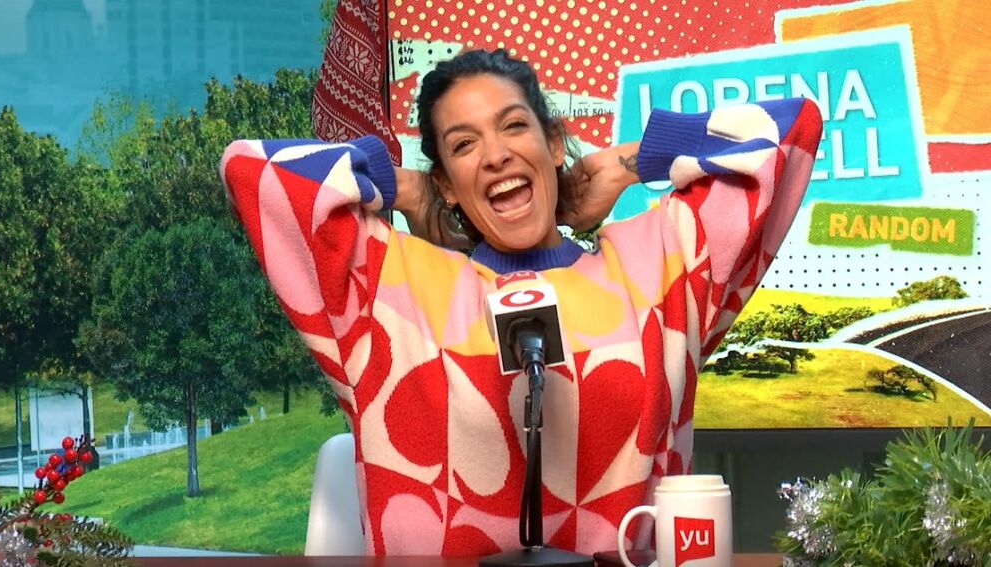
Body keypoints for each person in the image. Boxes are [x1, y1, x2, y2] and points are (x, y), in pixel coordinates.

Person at [220, 49, 822, 556]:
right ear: (447, 180)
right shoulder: (390, 287)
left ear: (553, 143)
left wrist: (624, 163)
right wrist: (407, 188)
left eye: (513, 126)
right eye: (463, 145)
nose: (495, 155)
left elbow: (788, 132)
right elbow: (253, 172)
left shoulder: (660, 268)